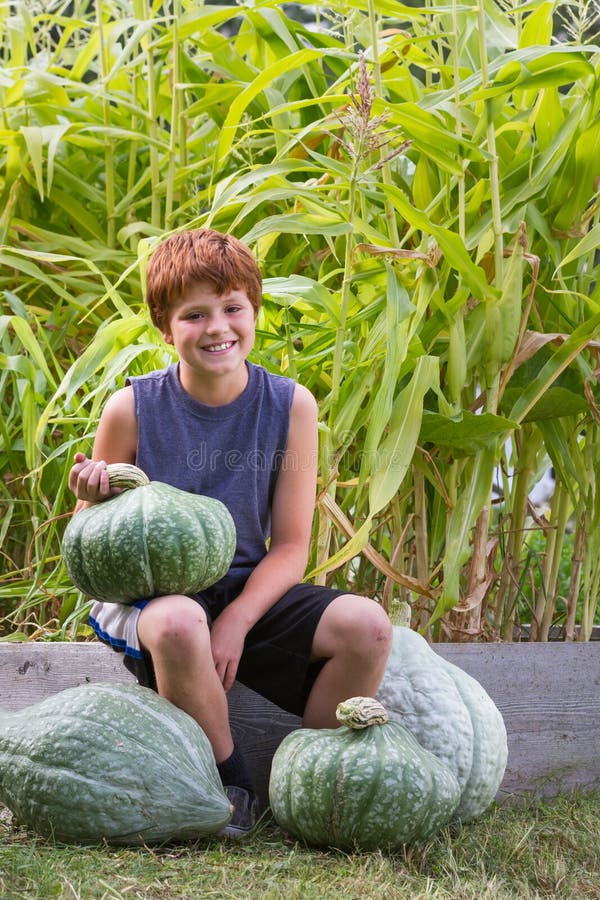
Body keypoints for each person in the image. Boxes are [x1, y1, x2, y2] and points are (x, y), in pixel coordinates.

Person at [68, 228, 393, 836]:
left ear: (254, 311)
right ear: (166, 328)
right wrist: (92, 499)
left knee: (368, 626)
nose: (217, 327)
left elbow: (292, 544)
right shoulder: (132, 408)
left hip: (246, 585)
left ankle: (310, 784)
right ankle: (228, 786)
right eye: (195, 314)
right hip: (151, 595)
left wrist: (239, 619)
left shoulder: (290, 406)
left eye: (232, 308)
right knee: (177, 619)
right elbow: (90, 540)